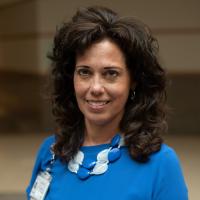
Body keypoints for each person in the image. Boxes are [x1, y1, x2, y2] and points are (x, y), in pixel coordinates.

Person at [26, 6, 188, 200]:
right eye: (84, 72)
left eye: (110, 74)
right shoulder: (50, 153)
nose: (95, 87)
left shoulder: (161, 164)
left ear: (133, 81)